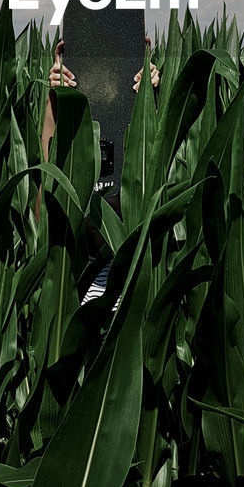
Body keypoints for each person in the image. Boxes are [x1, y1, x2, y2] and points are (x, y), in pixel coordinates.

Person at [40, 39, 160, 303]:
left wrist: (149, 105)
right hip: (82, 301)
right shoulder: (70, 273)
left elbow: (157, 175)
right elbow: (41, 213)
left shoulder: (144, 267)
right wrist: (54, 103)